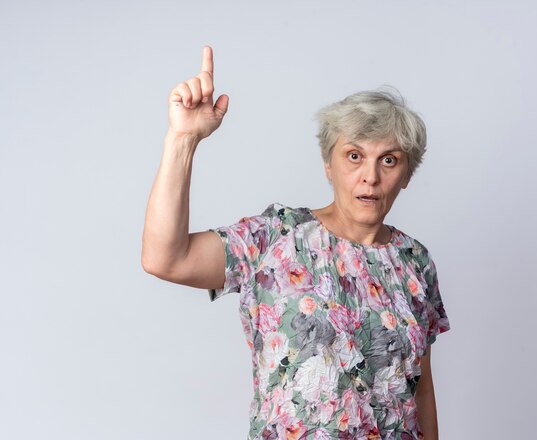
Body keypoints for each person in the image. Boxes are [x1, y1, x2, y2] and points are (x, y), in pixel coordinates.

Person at [142, 45, 451, 440]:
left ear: (407, 173)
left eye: (388, 160)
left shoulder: (414, 261)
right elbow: (165, 258)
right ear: (328, 164)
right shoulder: (276, 237)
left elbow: (420, 388)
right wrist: (182, 141)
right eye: (354, 156)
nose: (370, 176)